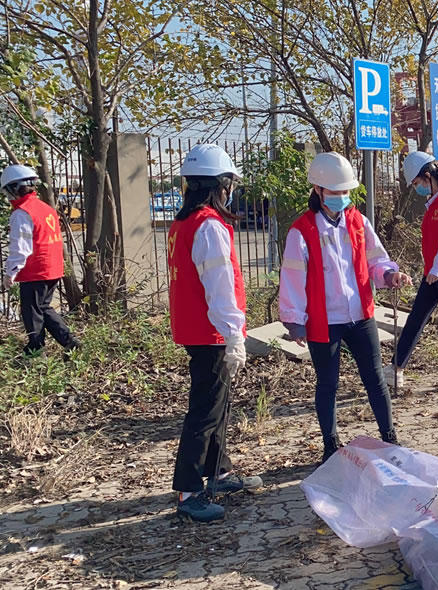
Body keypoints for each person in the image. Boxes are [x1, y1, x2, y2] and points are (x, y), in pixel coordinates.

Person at [279, 152, 413, 463]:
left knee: (375, 379)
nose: (341, 197)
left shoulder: (358, 222)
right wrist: (294, 319)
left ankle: (389, 437)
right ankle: (330, 445)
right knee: (328, 384)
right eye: (334, 191)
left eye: (345, 191)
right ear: (318, 190)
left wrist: (389, 275)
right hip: (324, 320)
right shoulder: (302, 230)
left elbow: (376, 260)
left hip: (360, 314)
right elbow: (293, 277)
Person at [166, 144, 262, 522]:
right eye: (229, 184)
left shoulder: (183, 223)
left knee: (217, 404)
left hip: (196, 327)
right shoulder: (208, 225)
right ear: (220, 185)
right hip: (211, 330)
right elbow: (220, 285)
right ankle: (189, 489)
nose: (231, 190)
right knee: (206, 411)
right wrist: (233, 333)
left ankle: (219, 471)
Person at [386, 152, 438, 391]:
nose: (417, 188)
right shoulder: (434, 202)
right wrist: (432, 270)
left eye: (416, 183)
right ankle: (396, 369)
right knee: (416, 319)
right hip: (434, 274)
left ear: (427, 176)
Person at [2, 164, 79, 355]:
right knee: (42, 307)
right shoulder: (45, 208)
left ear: (14, 188)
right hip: (52, 267)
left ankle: (36, 349)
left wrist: (10, 272)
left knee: (32, 312)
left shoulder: (21, 213)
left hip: (35, 270)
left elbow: (21, 248)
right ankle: (69, 342)